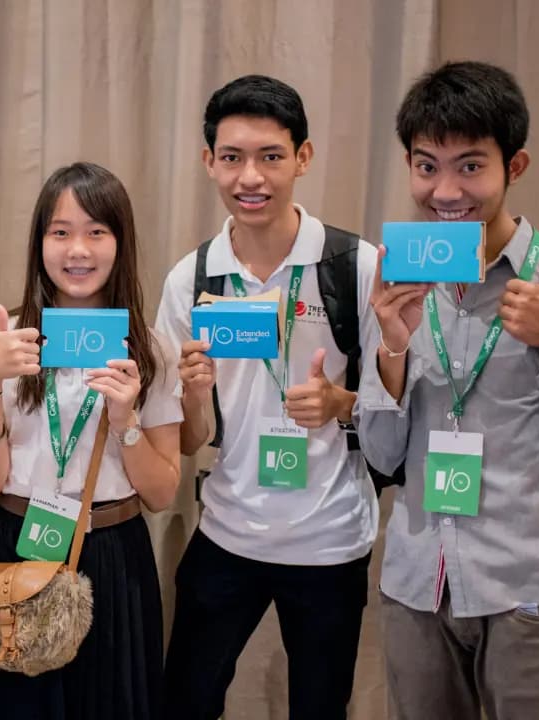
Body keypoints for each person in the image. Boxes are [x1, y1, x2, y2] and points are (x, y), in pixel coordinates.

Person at [356, 60, 539, 719]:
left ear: (515, 166)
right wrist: (391, 346)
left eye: (470, 166)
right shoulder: (399, 282)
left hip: (529, 589)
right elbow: (380, 453)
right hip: (417, 587)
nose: (446, 189)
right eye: (426, 165)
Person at [157, 75, 379, 720]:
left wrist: (341, 402)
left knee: (319, 705)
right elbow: (189, 438)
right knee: (186, 698)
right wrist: (195, 396)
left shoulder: (355, 265)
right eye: (232, 158)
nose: (249, 177)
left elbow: (402, 404)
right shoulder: (192, 277)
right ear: (209, 163)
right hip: (228, 530)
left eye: (270, 157)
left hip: (330, 539)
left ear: (302, 159)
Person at [0, 161, 182, 719]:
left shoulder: (150, 349)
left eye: (95, 232)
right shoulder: (2, 340)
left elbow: (162, 494)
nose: (77, 250)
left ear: (119, 242)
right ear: (39, 243)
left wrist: (127, 419)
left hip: (113, 554)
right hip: (17, 545)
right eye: (60, 232)